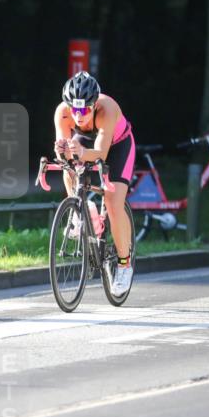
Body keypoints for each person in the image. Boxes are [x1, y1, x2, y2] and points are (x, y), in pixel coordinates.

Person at [53, 71, 136, 296]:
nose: (78, 116)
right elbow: (63, 153)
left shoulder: (107, 109)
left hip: (116, 146)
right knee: (68, 169)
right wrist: (62, 152)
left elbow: (101, 153)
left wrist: (80, 152)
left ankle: (124, 264)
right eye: (74, 109)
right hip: (85, 142)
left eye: (84, 110)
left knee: (113, 203)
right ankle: (80, 211)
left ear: (94, 105)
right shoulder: (62, 113)